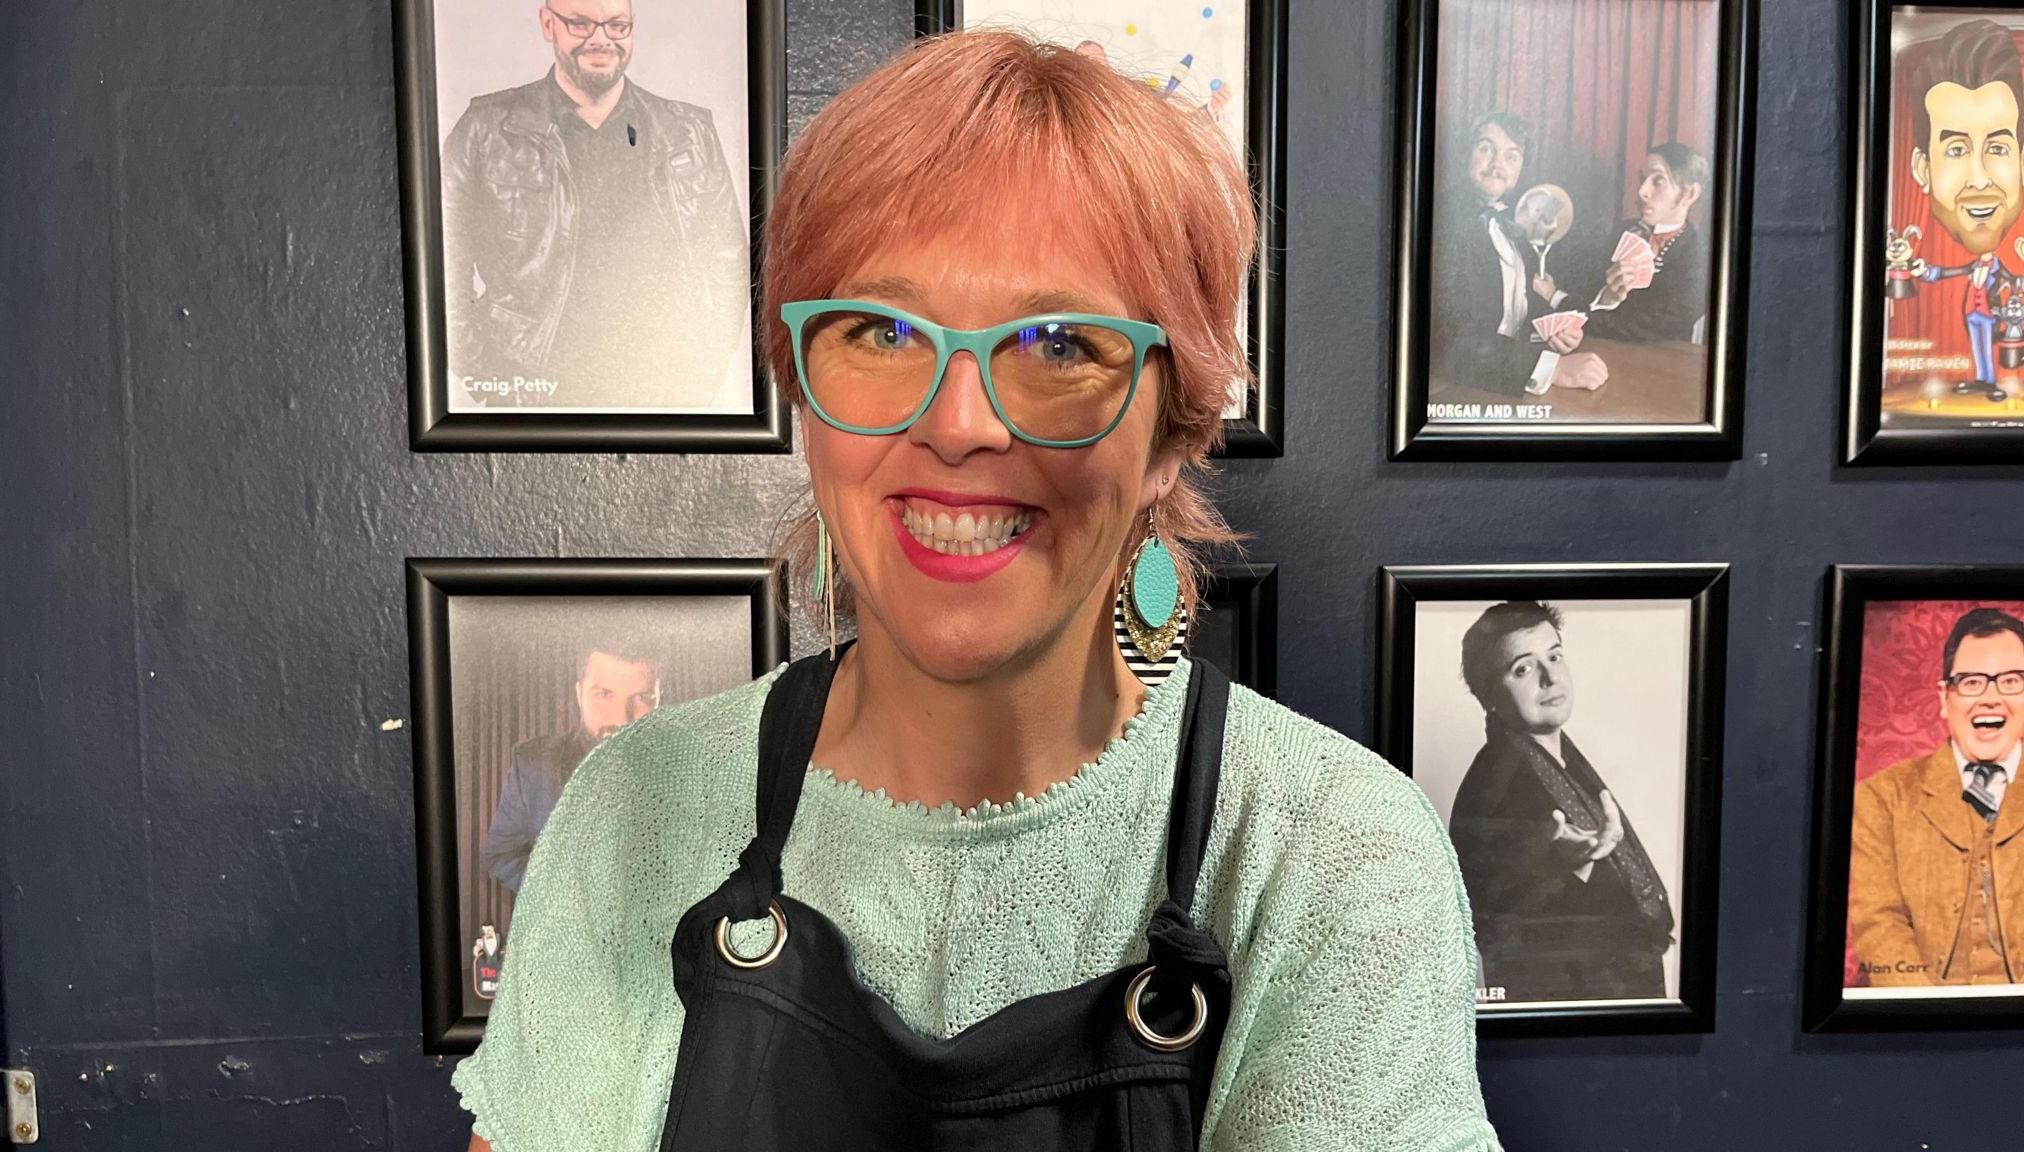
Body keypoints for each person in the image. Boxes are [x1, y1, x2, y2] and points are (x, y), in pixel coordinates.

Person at [453, 31, 1500, 1152]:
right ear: (800, 396)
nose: (959, 425)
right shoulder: (633, 812)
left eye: (1058, 342)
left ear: (1170, 434)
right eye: (881, 331)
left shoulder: (1328, 851)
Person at [439, 0, 749, 409]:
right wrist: (486, 374)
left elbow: (729, 257)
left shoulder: (688, 132)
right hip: (534, 395)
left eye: (617, 26)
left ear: (633, 27)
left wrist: (704, 364)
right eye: (581, 24)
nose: (601, 39)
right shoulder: (486, 129)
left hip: (663, 393)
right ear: (548, 24)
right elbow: (440, 263)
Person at [1447, 602, 1676, 1003]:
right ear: (1490, 696)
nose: (1551, 677)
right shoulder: (1493, 782)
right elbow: (1489, 916)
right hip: (1576, 1012)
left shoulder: (1560, 760)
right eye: (1523, 668)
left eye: (1554, 656)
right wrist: (1563, 861)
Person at [1849, 608, 2024, 986]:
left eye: (2011, 681)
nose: (1991, 698)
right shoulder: (1881, 798)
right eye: (1972, 682)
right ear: (1945, 698)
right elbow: (1880, 926)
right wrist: (1928, 1010)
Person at [1430, 111, 1607, 398]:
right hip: (1455, 386)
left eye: (1512, 156)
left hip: (1505, 376)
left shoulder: (1517, 219)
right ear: (1466, 153)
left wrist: (1556, 332)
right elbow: (1446, 338)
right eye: (1485, 148)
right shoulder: (1440, 219)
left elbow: (1513, 307)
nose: (1497, 164)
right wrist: (1551, 367)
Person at [1898, 19, 2024, 404]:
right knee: (1980, 344)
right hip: (1976, 316)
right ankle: (1985, 379)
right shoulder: (1977, 267)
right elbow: (1950, 272)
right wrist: (1926, 271)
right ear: (1923, 170)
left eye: (1999, 148)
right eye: (1956, 150)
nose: (1980, 179)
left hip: (1991, 316)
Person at [479, 644, 659, 894]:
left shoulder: (697, 770)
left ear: (660, 696)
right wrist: (557, 900)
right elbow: (501, 855)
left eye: (642, 698)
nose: (622, 719)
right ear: (579, 694)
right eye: (605, 694)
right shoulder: (534, 764)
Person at [1581, 143, 1713, 344]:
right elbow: (1582, 290)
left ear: (1690, 194)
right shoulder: (1620, 232)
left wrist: (1583, 320)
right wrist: (1605, 299)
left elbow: (1653, 330)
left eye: (1658, 181)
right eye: (1643, 179)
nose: (1642, 191)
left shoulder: (1701, 259)